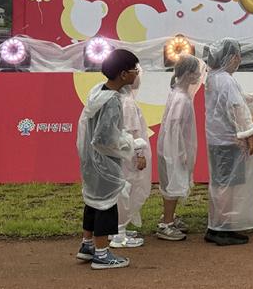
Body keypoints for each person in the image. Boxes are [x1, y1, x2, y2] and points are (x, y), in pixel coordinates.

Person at [75, 49, 147, 270]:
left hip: (91, 159)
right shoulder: (113, 100)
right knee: (106, 204)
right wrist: (131, 143)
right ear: (124, 74)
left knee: (93, 201)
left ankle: (87, 245)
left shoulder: (98, 91)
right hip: (104, 162)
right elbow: (105, 138)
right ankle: (101, 253)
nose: (137, 74)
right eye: (135, 70)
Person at [204, 38, 253, 246]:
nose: (239, 60)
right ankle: (220, 228)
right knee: (227, 186)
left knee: (222, 184)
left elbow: (239, 101)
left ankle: (221, 225)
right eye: (238, 56)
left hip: (218, 140)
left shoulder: (213, 77)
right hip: (228, 141)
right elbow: (237, 108)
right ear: (232, 57)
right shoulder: (226, 79)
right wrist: (249, 135)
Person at [155, 54, 206, 241]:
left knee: (171, 183)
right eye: (196, 72)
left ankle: (169, 218)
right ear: (188, 74)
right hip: (173, 150)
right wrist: (181, 152)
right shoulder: (181, 98)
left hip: (171, 148)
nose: (199, 76)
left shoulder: (179, 93)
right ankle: (166, 224)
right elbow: (174, 127)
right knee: (172, 185)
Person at [110, 65, 150, 249]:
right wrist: (139, 154)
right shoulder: (127, 102)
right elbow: (131, 131)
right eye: (136, 73)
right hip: (129, 156)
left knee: (123, 190)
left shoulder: (121, 99)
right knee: (128, 189)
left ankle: (117, 228)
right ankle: (119, 232)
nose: (138, 77)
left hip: (122, 154)